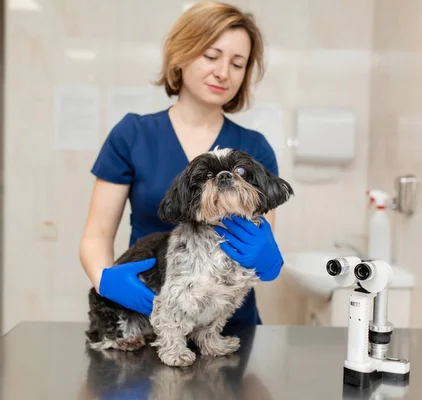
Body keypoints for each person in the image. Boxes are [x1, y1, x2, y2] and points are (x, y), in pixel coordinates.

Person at [79, 1, 284, 327]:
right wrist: (106, 281)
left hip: (230, 325)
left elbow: (262, 238)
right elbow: (97, 235)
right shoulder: (133, 135)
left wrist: (267, 257)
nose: (222, 72)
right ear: (183, 54)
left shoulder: (254, 148)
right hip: (149, 315)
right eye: (211, 56)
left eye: (237, 63)